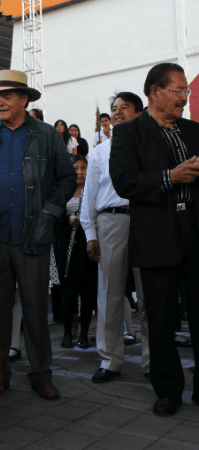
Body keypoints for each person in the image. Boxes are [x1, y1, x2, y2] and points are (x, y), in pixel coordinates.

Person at [0, 69, 77, 400]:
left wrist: (48, 212)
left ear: (24, 99)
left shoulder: (47, 135)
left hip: (33, 235)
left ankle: (41, 375)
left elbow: (67, 178)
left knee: (36, 309)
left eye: (6, 96)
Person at [110, 63, 199, 416]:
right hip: (157, 233)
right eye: (178, 90)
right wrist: (170, 177)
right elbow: (124, 181)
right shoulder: (129, 133)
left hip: (194, 230)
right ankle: (168, 390)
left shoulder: (193, 130)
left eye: (185, 91)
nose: (184, 97)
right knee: (160, 317)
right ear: (155, 92)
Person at [80, 91, 149, 384]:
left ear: (139, 114)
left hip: (146, 220)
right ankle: (110, 359)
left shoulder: (149, 146)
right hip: (111, 220)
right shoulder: (99, 152)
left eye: (125, 107)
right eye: (114, 108)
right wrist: (90, 234)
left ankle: (153, 360)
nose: (117, 112)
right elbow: (89, 196)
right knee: (109, 292)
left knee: (150, 292)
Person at [54, 155, 97, 349]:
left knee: (88, 293)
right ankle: (66, 334)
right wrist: (68, 220)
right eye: (76, 168)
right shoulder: (63, 190)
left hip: (88, 248)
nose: (80, 172)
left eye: (83, 168)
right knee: (68, 294)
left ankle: (84, 334)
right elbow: (54, 217)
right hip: (68, 249)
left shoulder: (94, 190)